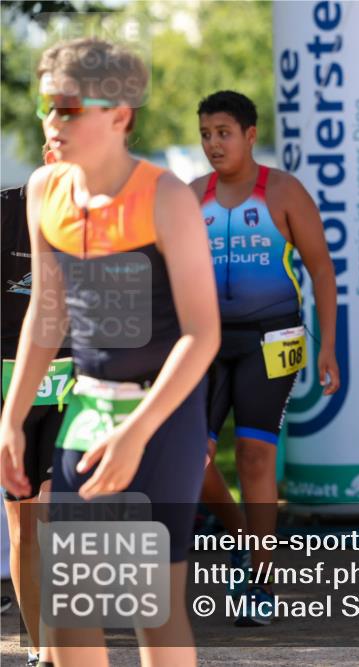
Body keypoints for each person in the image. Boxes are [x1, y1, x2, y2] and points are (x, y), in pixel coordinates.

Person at [0, 37, 220, 667]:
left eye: (68, 109)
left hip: (163, 416)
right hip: (87, 409)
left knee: (150, 608)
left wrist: (138, 432)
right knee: (73, 614)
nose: (52, 123)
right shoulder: (46, 190)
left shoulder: (166, 198)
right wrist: (11, 419)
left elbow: (201, 334)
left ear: (119, 116)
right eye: (47, 108)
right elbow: (47, 317)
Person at [190, 90, 340, 626]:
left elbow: (321, 268)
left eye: (223, 133)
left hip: (273, 340)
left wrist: (328, 346)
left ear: (250, 135)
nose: (213, 143)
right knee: (195, 458)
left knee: (255, 457)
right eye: (206, 133)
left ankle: (261, 580)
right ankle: (241, 536)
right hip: (205, 343)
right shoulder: (191, 195)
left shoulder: (283, 191)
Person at [2, 167, 70, 667]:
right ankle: (41, 642)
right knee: (25, 523)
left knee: (54, 512)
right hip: (11, 388)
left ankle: (60, 639)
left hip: (76, 385)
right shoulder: (5, 210)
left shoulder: (102, 218)